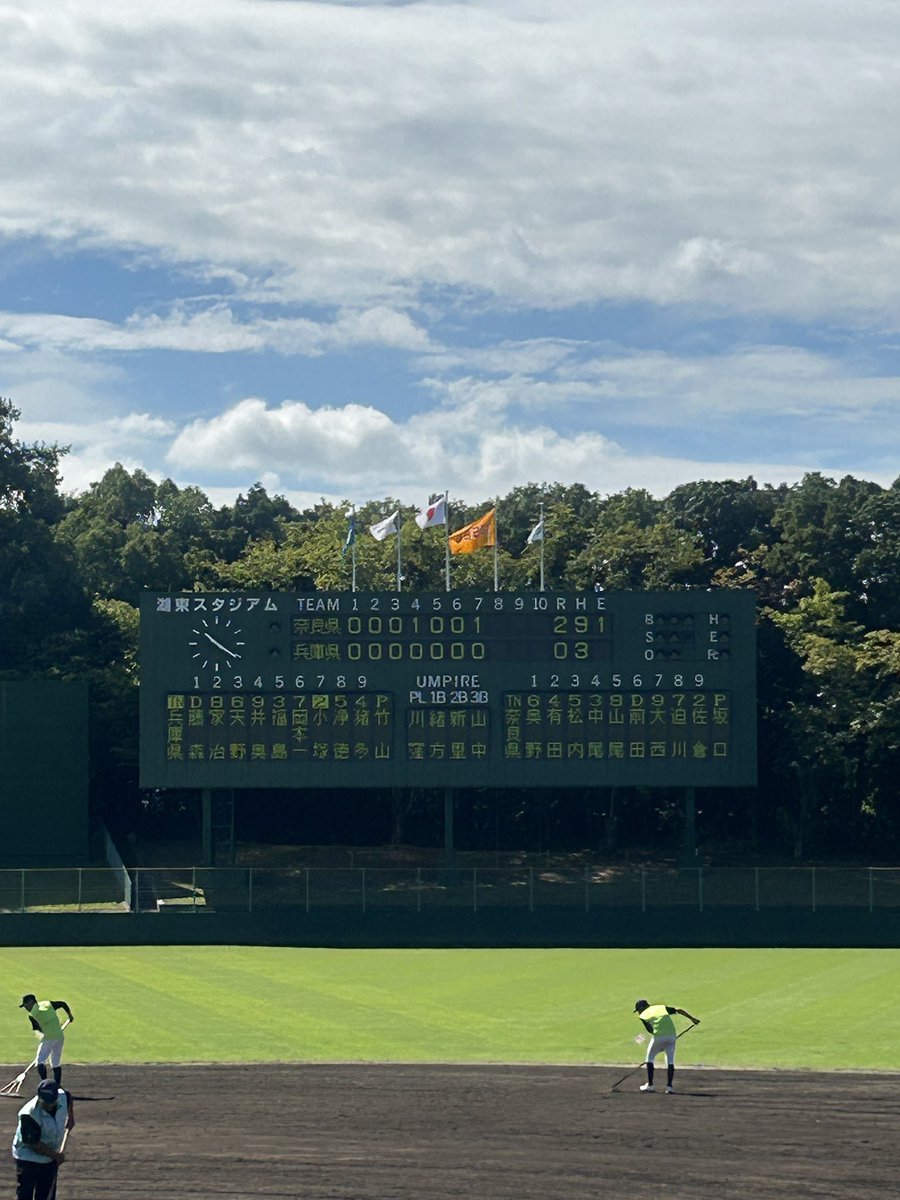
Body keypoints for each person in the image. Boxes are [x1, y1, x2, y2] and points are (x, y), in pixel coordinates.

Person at [11, 1078, 75, 1200]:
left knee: (46, 1195)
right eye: (45, 1101)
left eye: (51, 1101)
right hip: (27, 1157)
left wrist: (71, 1117)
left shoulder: (61, 1096)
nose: (48, 1104)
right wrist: (55, 1156)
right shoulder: (28, 1114)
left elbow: (68, 1096)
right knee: (25, 1195)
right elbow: (33, 1144)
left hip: (50, 1156)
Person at [633, 998, 700, 1094]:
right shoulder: (661, 1008)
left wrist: (659, 1045)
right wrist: (693, 1019)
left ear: (641, 1008)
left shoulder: (643, 1015)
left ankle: (651, 1085)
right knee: (670, 1061)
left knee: (649, 1058)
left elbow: (650, 1030)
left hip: (659, 1037)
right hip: (671, 1037)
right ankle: (669, 1087)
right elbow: (679, 1010)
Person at [18, 996, 74, 1086]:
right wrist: (70, 1015)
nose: (26, 1008)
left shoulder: (32, 1015)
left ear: (31, 1002)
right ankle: (57, 1085)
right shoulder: (47, 1004)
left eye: (26, 1006)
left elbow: (38, 1029)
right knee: (55, 1062)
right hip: (59, 1037)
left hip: (48, 1038)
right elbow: (63, 1004)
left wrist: (44, 1032)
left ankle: (45, 1083)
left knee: (40, 1061)